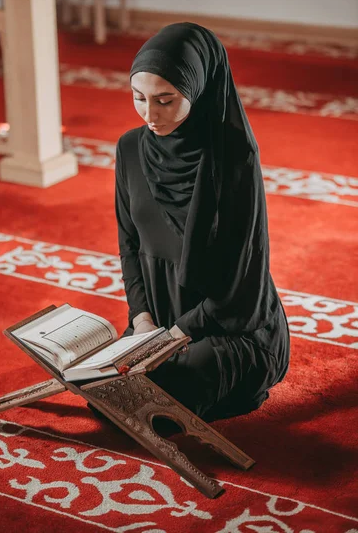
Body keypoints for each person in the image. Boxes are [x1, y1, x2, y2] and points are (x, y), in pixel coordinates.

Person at [115, 22, 290, 421]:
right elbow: (129, 245)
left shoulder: (233, 160)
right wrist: (142, 322)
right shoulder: (129, 149)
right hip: (158, 319)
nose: (150, 115)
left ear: (198, 91)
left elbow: (240, 284)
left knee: (164, 395)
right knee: (110, 386)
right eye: (139, 98)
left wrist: (175, 337)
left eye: (165, 100)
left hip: (230, 325)